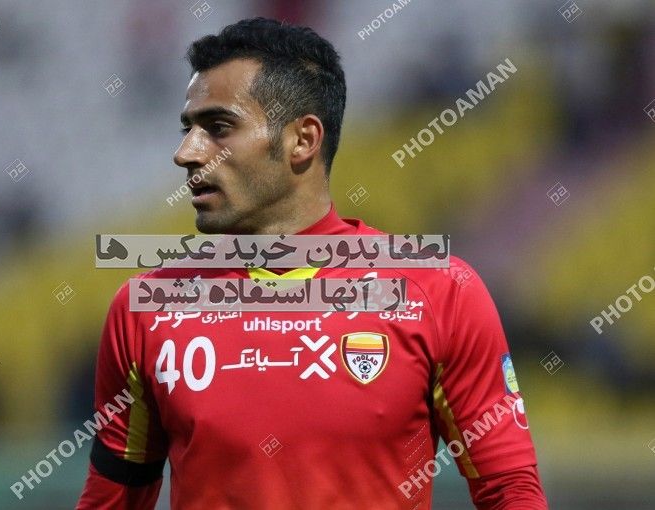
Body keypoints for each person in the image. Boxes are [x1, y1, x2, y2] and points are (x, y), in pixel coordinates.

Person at [76, 17, 548, 509]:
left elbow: (510, 491)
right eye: (188, 129)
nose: (186, 153)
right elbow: (111, 500)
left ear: (302, 140)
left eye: (218, 128)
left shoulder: (439, 292)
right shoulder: (146, 308)